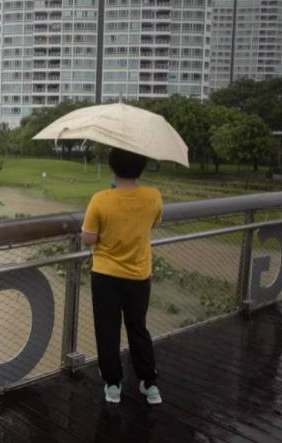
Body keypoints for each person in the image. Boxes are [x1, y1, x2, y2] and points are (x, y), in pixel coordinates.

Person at [80, 147, 163, 405]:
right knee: (138, 328)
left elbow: (88, 239)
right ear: (141, 167)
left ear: (112, 169)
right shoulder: (153, 197)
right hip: (139, 275)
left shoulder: (100, 199)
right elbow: (154, 223)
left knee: (108, 330)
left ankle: (113, 385)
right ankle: (149, 385)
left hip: (105, 275)